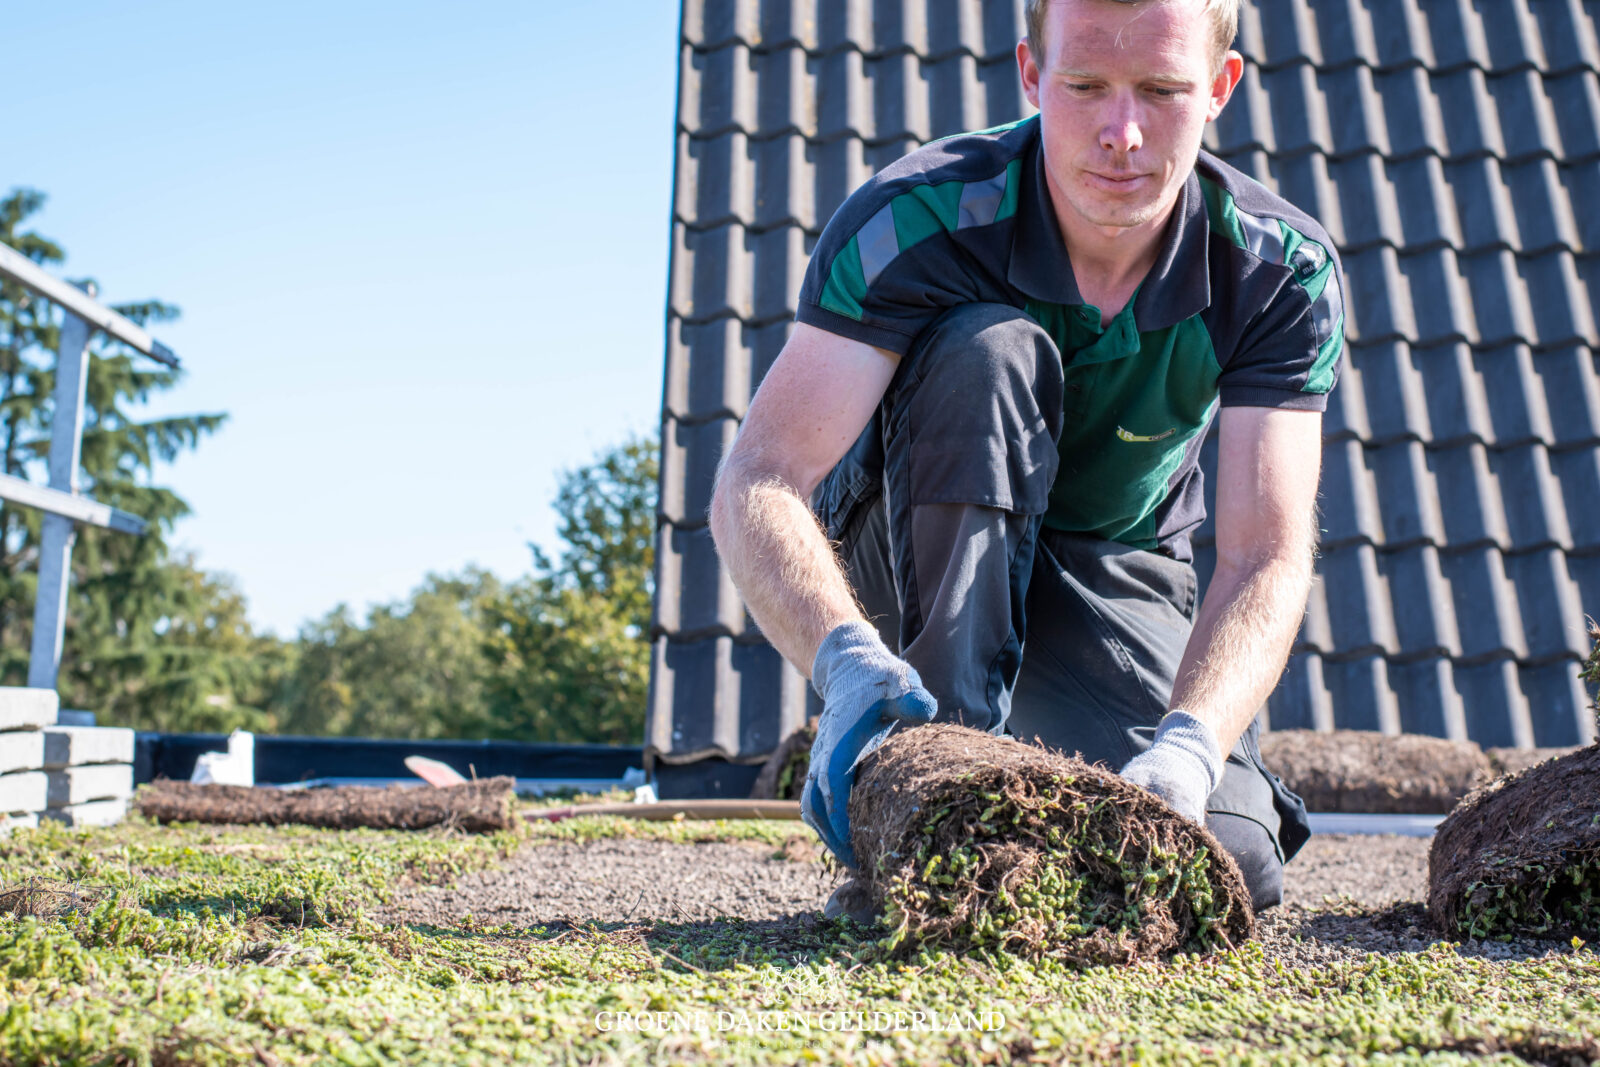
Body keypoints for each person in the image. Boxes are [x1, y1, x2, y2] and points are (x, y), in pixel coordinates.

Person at [707, 0, 1341, 915]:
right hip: (911, 540)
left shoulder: (1279, 270)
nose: (1121, 134)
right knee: (989, 350)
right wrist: (842, 660)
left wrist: (1190, 748)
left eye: (1161, 91)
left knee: (1224, 854)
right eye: (1085, 86)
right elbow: (758, 478)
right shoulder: (912, 220)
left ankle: (1022, 794)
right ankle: (933, 791)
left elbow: (1265, 553)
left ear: (1219, 89)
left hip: (1113, 567)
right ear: (1032, 76)